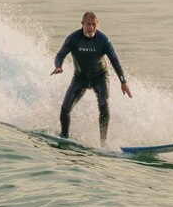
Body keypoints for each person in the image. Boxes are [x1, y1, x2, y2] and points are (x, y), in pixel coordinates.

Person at [51, 12, 132, 146]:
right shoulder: (73, 38)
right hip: (80, 78)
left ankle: (103, 142)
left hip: (100, 77)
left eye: (94, 24)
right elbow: (60, 54)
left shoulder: (103, 40)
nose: (92, 27)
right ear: (82, 24)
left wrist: (123, 81)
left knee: (103, 104)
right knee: (65, 109)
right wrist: (58, 66)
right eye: (88, 24)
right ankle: (64, 136)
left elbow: (115, 61)